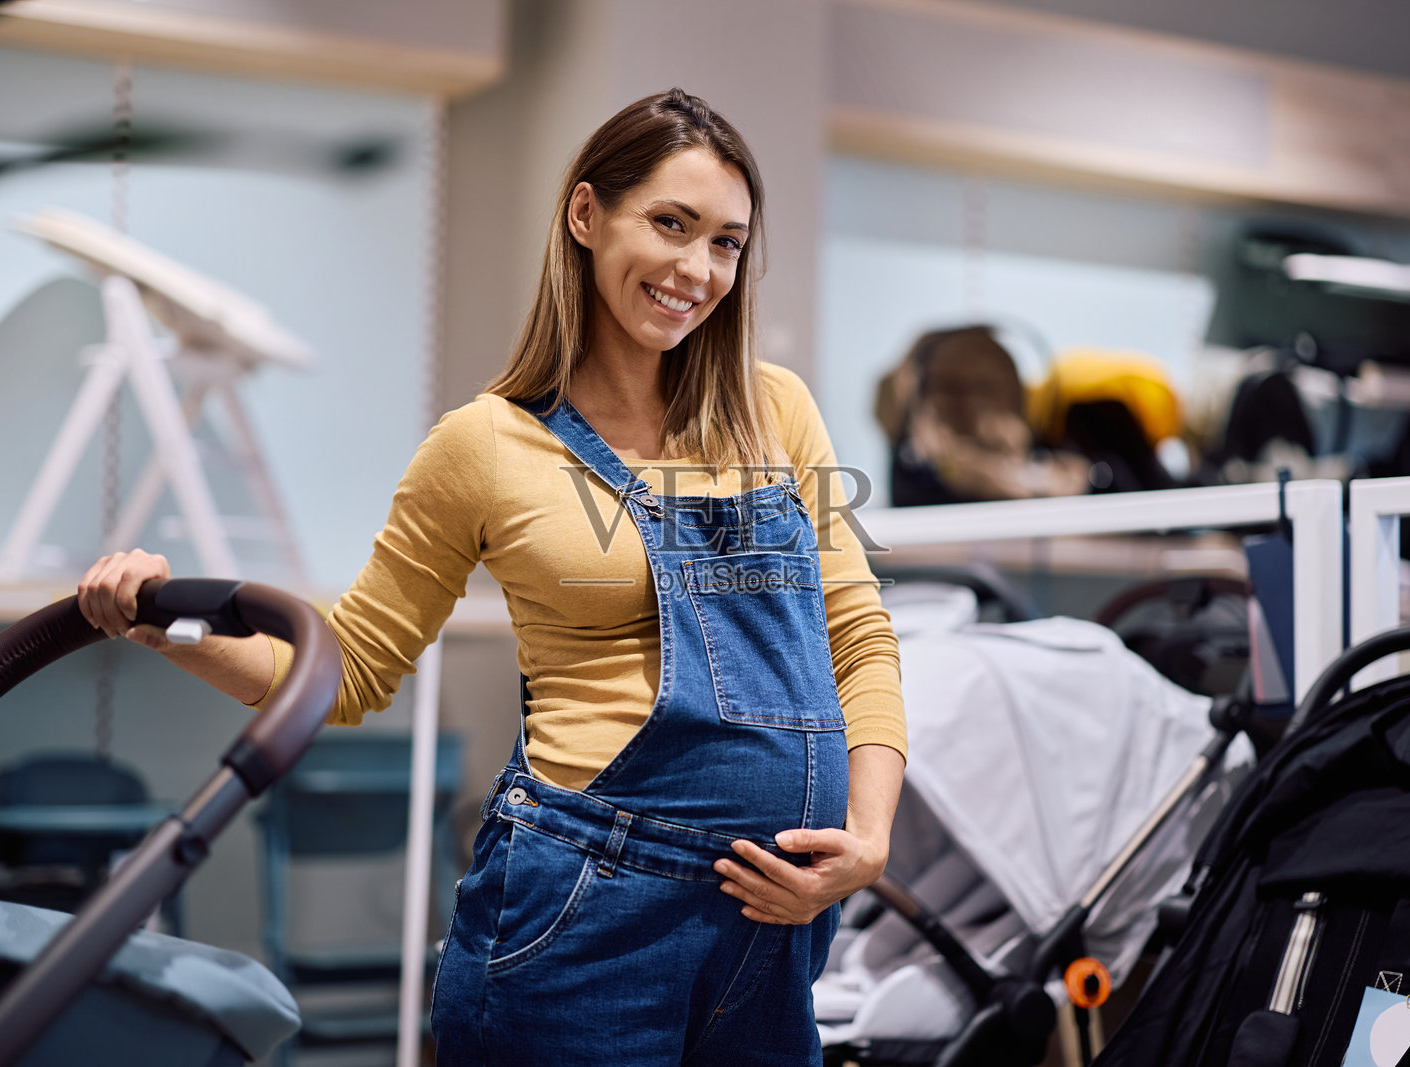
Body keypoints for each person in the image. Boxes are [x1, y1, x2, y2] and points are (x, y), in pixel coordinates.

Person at [77, 88, 906, 1065]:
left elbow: (856, 631)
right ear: (587, 214)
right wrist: (162, 624)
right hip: (587, 916)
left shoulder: (777, 410)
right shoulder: (484, 445)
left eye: (726, 242)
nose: (697, 268)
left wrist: (869, 837)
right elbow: (348, 670)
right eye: (671, 224)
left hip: (776, 928)